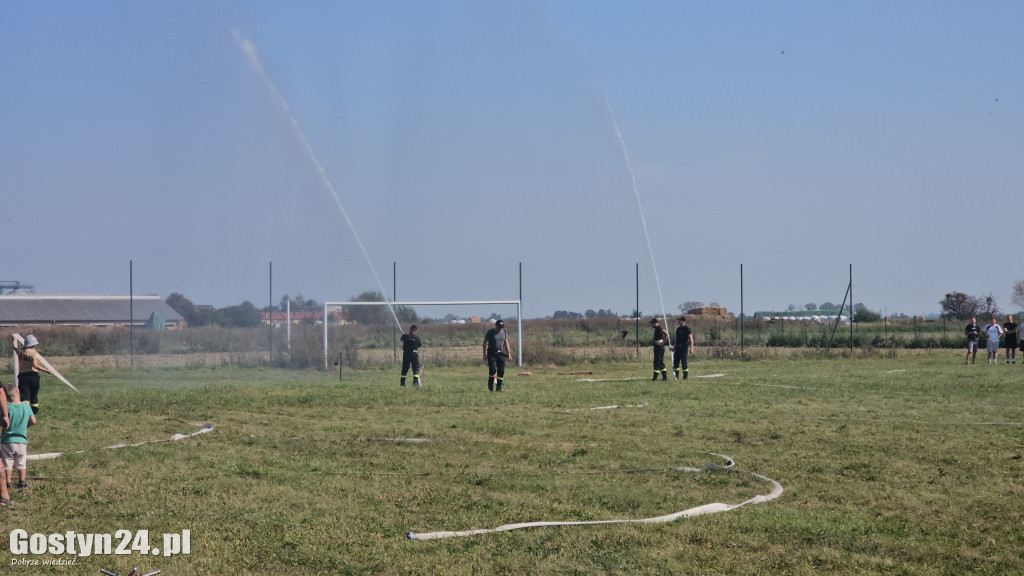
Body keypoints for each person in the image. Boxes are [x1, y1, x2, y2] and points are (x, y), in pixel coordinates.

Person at [2, 381, 36, 496]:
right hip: (22, 440)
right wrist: (25, 426)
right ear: (17, 392)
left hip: (8, 441)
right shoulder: (26, 407)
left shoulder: (7, 408)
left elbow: (3, 422)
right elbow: (33, 421)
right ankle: (22, 482)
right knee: (21, 462)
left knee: (7, 462)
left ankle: (8, 482)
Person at [13, 335, 51, 415]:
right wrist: (46, 370)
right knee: (34, 394)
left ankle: (25, 412)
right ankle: (34, 412)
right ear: (33, 345)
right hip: (33, 376)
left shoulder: (21, 351)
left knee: (25, 395)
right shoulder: (33, 353)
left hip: (23, 376)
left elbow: (15, 347)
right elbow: (35, 366)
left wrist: (14, 339)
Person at [483, 319, 512, 392]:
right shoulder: (491, 332)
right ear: (496, 325)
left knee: (501, 371)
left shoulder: (504, 332)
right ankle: (490, 387)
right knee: (493, 370)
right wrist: (484, 354)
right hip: (491, 354)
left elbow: (506, 343)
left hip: (500, 354)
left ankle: (499, 388)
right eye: (499, 327)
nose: (500, 329)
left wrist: (509, 354)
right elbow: (485, 342)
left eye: (501, 327)